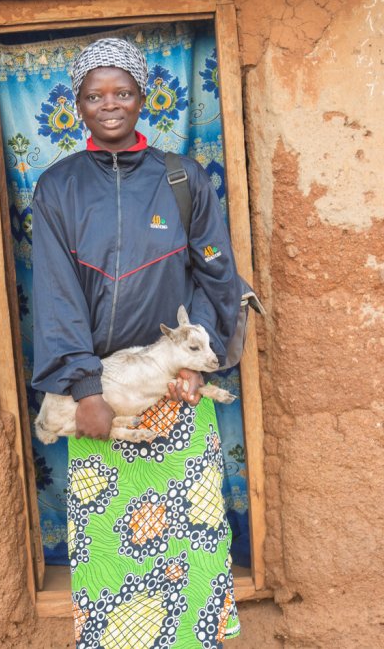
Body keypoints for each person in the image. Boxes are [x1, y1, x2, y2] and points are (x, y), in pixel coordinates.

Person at [31, 37, 243, 647]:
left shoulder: (182, 178)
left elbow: (215, 272)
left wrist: (196, 367)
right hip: (105, 399)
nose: (110, 105)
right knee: (111, 554)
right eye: (95, 95)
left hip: (177, 391)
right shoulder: (59, 188)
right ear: (76, 104)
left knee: (188, 543)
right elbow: (55, 294)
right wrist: (85, 389)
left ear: (143, 97)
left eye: (122, 91)